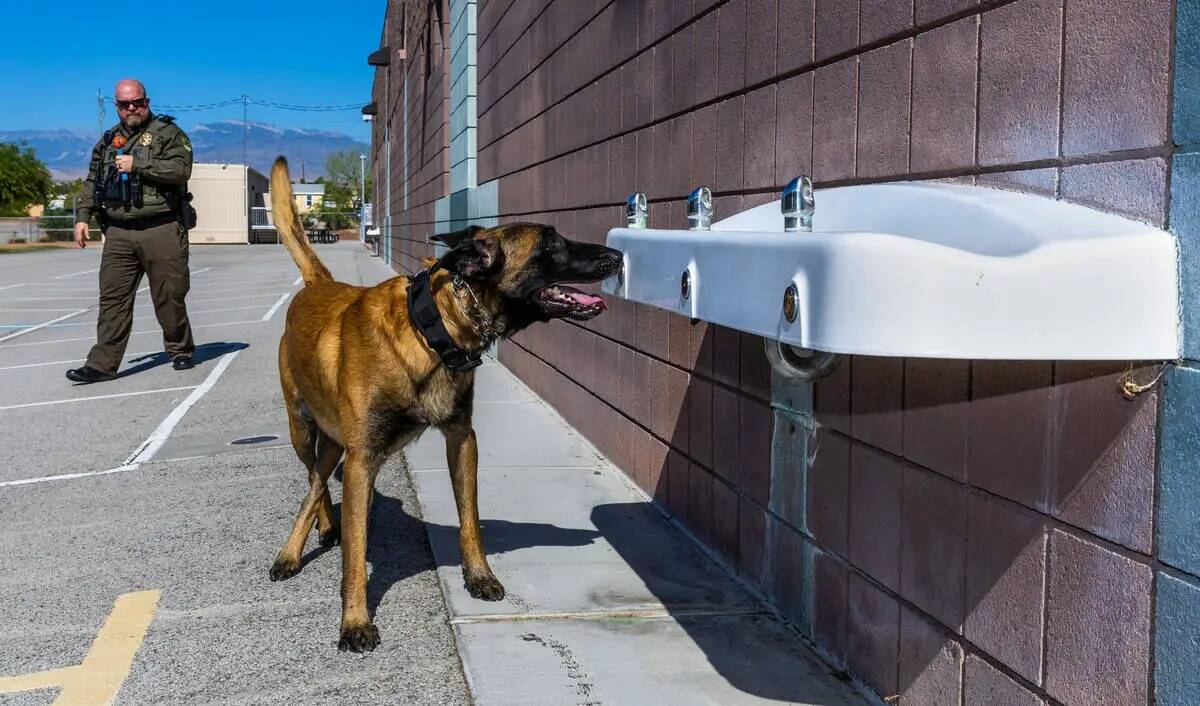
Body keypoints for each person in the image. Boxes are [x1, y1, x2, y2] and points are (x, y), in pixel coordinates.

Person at [67, 79, 197, 383]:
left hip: (161, 227)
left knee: (169, 296)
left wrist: (138, 163)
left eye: (137, 102)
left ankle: (180, 349)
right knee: (112, 299)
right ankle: (102, 364)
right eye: (125, 104)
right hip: (119, 233)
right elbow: (92, 180)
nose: (132, 109)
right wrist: (83, 216)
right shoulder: (107, 140)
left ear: (147, 101)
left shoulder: (169, 134)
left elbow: (181, 170)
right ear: (117, 106)